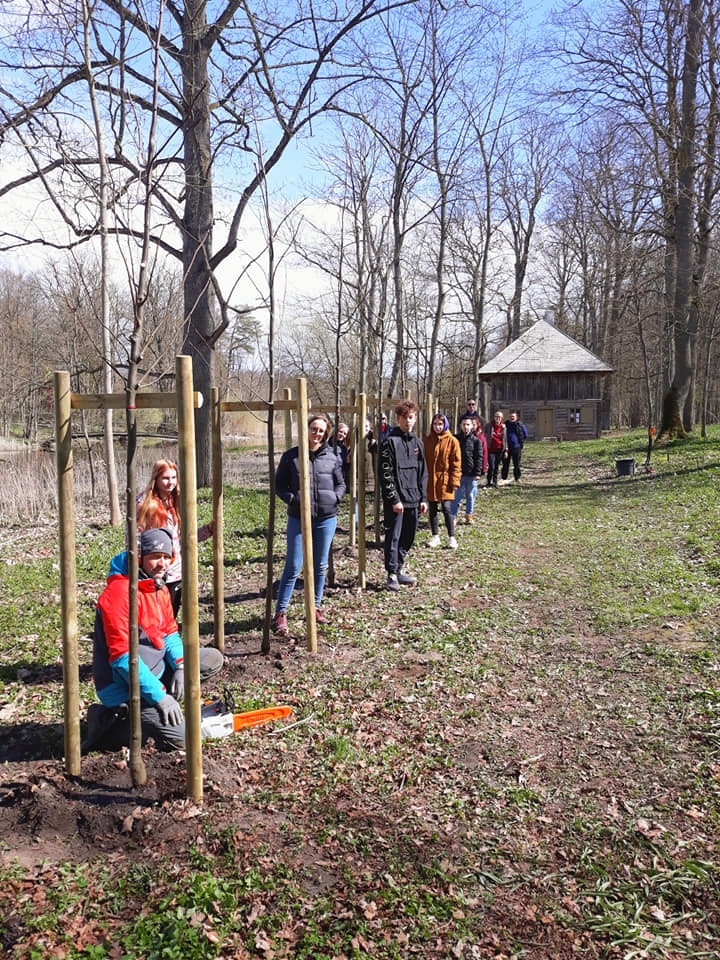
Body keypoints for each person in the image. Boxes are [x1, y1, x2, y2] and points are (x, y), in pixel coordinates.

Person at [87, 527, 224, 752]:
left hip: (155, 669)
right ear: (140, 558)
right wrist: (160, 696)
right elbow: (123, 659)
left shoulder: (157, 585)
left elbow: (169, 632)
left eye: (166, 557)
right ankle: (109, 723)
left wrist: (180, 666)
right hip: (122, 685)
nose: (162, 564)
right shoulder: (120, 594)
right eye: (155, 557)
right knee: (186, 738)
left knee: (211, 658)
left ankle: (157, 706)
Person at [273, 413, 346, 634]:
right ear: (306, 429)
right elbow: (280, 486)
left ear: (326, 434)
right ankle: (281, 613)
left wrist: (335, 498)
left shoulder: (332, 457)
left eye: (321, 431)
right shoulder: (291, 457)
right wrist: (294, 500)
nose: (317, 433)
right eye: (314, 428)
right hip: (298, 518)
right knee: (294, 566)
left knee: (320, 565)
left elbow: (341, 483)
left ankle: (314, 607)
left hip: (326, 518)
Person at [136, 459, 214, 616]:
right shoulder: (144, 504)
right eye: (165, 478)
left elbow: (184, 538)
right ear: (155, 479)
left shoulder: (178, 502)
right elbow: (135, 539)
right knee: (152, 616)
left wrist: (209, 530)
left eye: (173, 478)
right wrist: (139, 566)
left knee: (170, 615)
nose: (169, 482)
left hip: (176, 572)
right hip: (153, 572)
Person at [380, 400, 428, 591]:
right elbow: (386, 473)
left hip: (414, 500)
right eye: (404, 418)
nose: (408, 422)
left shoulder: (417, 443)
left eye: (411, 418)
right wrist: (394, 499)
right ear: (398, 419)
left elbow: (423, 472)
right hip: (397, 502)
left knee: (408, 536)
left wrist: (423, 498)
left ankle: (399, 569)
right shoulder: (389, 443)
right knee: (394, 537)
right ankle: (391, 573)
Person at [423, 413, 461, 549]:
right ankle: (435, 536)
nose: (437, 427)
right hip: (430, 480)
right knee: (432, 508)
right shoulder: (427, 440)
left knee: (446, 508)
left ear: (444, 424)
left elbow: (456, 463)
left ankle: (451, 537)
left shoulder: (452, 441)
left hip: (445, 479)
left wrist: (454, 481)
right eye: (435, 424)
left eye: (440, 424)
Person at [452, 414, 486, 525]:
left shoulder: (476, 441)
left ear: (472, 426)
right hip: (458, 473)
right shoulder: (456, 439)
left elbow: (479, 457)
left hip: (471, 474)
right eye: (464, 424)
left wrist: (477, 473)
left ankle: (469, 515)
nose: (465, 427)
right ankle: (453, 516)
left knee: (470, 496)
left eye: (468, 424)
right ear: (460, 426)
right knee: (456, 496)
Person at [502, 410, 528, 482]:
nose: (511, 418)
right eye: (510, 417)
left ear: (516, 417)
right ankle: (504, 477)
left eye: (513, 417)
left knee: (516, 464)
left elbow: (525, 435)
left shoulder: (520, 425)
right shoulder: (505, 424)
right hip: (506, 447)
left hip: (516, 447)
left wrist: (519, 442)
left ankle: (517, 477)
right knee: (505, 463)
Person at [484, 411, 508, 488]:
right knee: (491, 466)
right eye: (496, 417)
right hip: (491, 449)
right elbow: (482, 433)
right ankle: (488, 481)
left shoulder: (503, 427)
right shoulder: (489, 425)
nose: (497, 418)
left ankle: (495, 482)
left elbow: (505, 439)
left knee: (496, 467)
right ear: (494, 417)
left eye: (499, 417)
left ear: (501, 418)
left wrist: (506, 450)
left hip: (499, 449)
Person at [333, 421, 351, 485]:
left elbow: (344, 468)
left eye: (344, 433)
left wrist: (347, 462)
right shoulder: (326, 445)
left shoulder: (344, 448)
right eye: (340, 432)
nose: (342, 434)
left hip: (339, 480)